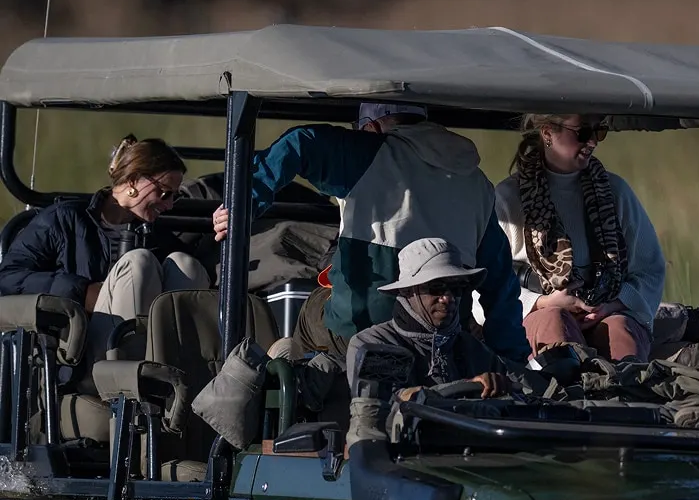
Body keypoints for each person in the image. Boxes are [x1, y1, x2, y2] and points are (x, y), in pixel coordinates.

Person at [212, 102, 529, 366]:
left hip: (363, 328)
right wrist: (512, 359)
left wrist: (244, 203)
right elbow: (500, 283)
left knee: (313, 307)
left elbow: (299, 143)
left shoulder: (368, 151)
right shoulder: (478, 182)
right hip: (443, 334)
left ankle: (295, 400)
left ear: (373, 126)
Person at [0, 134, 211, 363]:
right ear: (133, 180)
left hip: (152, 356)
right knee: (139, 263)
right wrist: (82, 292)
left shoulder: (156, 236)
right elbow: (9, 279)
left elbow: (203, 277)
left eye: (175, 196)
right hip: (78, 351)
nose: (169, 204)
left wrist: (220, 229)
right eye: (164, 192)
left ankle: (174, 376)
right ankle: (129, 380)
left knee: (186, 265)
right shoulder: (65, 220)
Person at [494, 113, 665, 363]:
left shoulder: (615, 191)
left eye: (599, 132)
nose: (593, 142)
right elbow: (488, 283)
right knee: (554, 324)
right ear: (547, 133)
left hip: (606, 312)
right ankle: (562, 398)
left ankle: (624, 395)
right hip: (541, 314)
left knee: (619, 333)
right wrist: (543, 302)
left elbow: (650, 270)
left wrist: (613, 304)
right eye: (583, 133)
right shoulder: (508, 197)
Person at [345, 237, 512, 402]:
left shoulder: (475, 350)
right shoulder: (377, 344)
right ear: (407, 291)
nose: (448, 298)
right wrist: (463, 387)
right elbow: (383, 403)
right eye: (436, 288)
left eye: (457, 288)